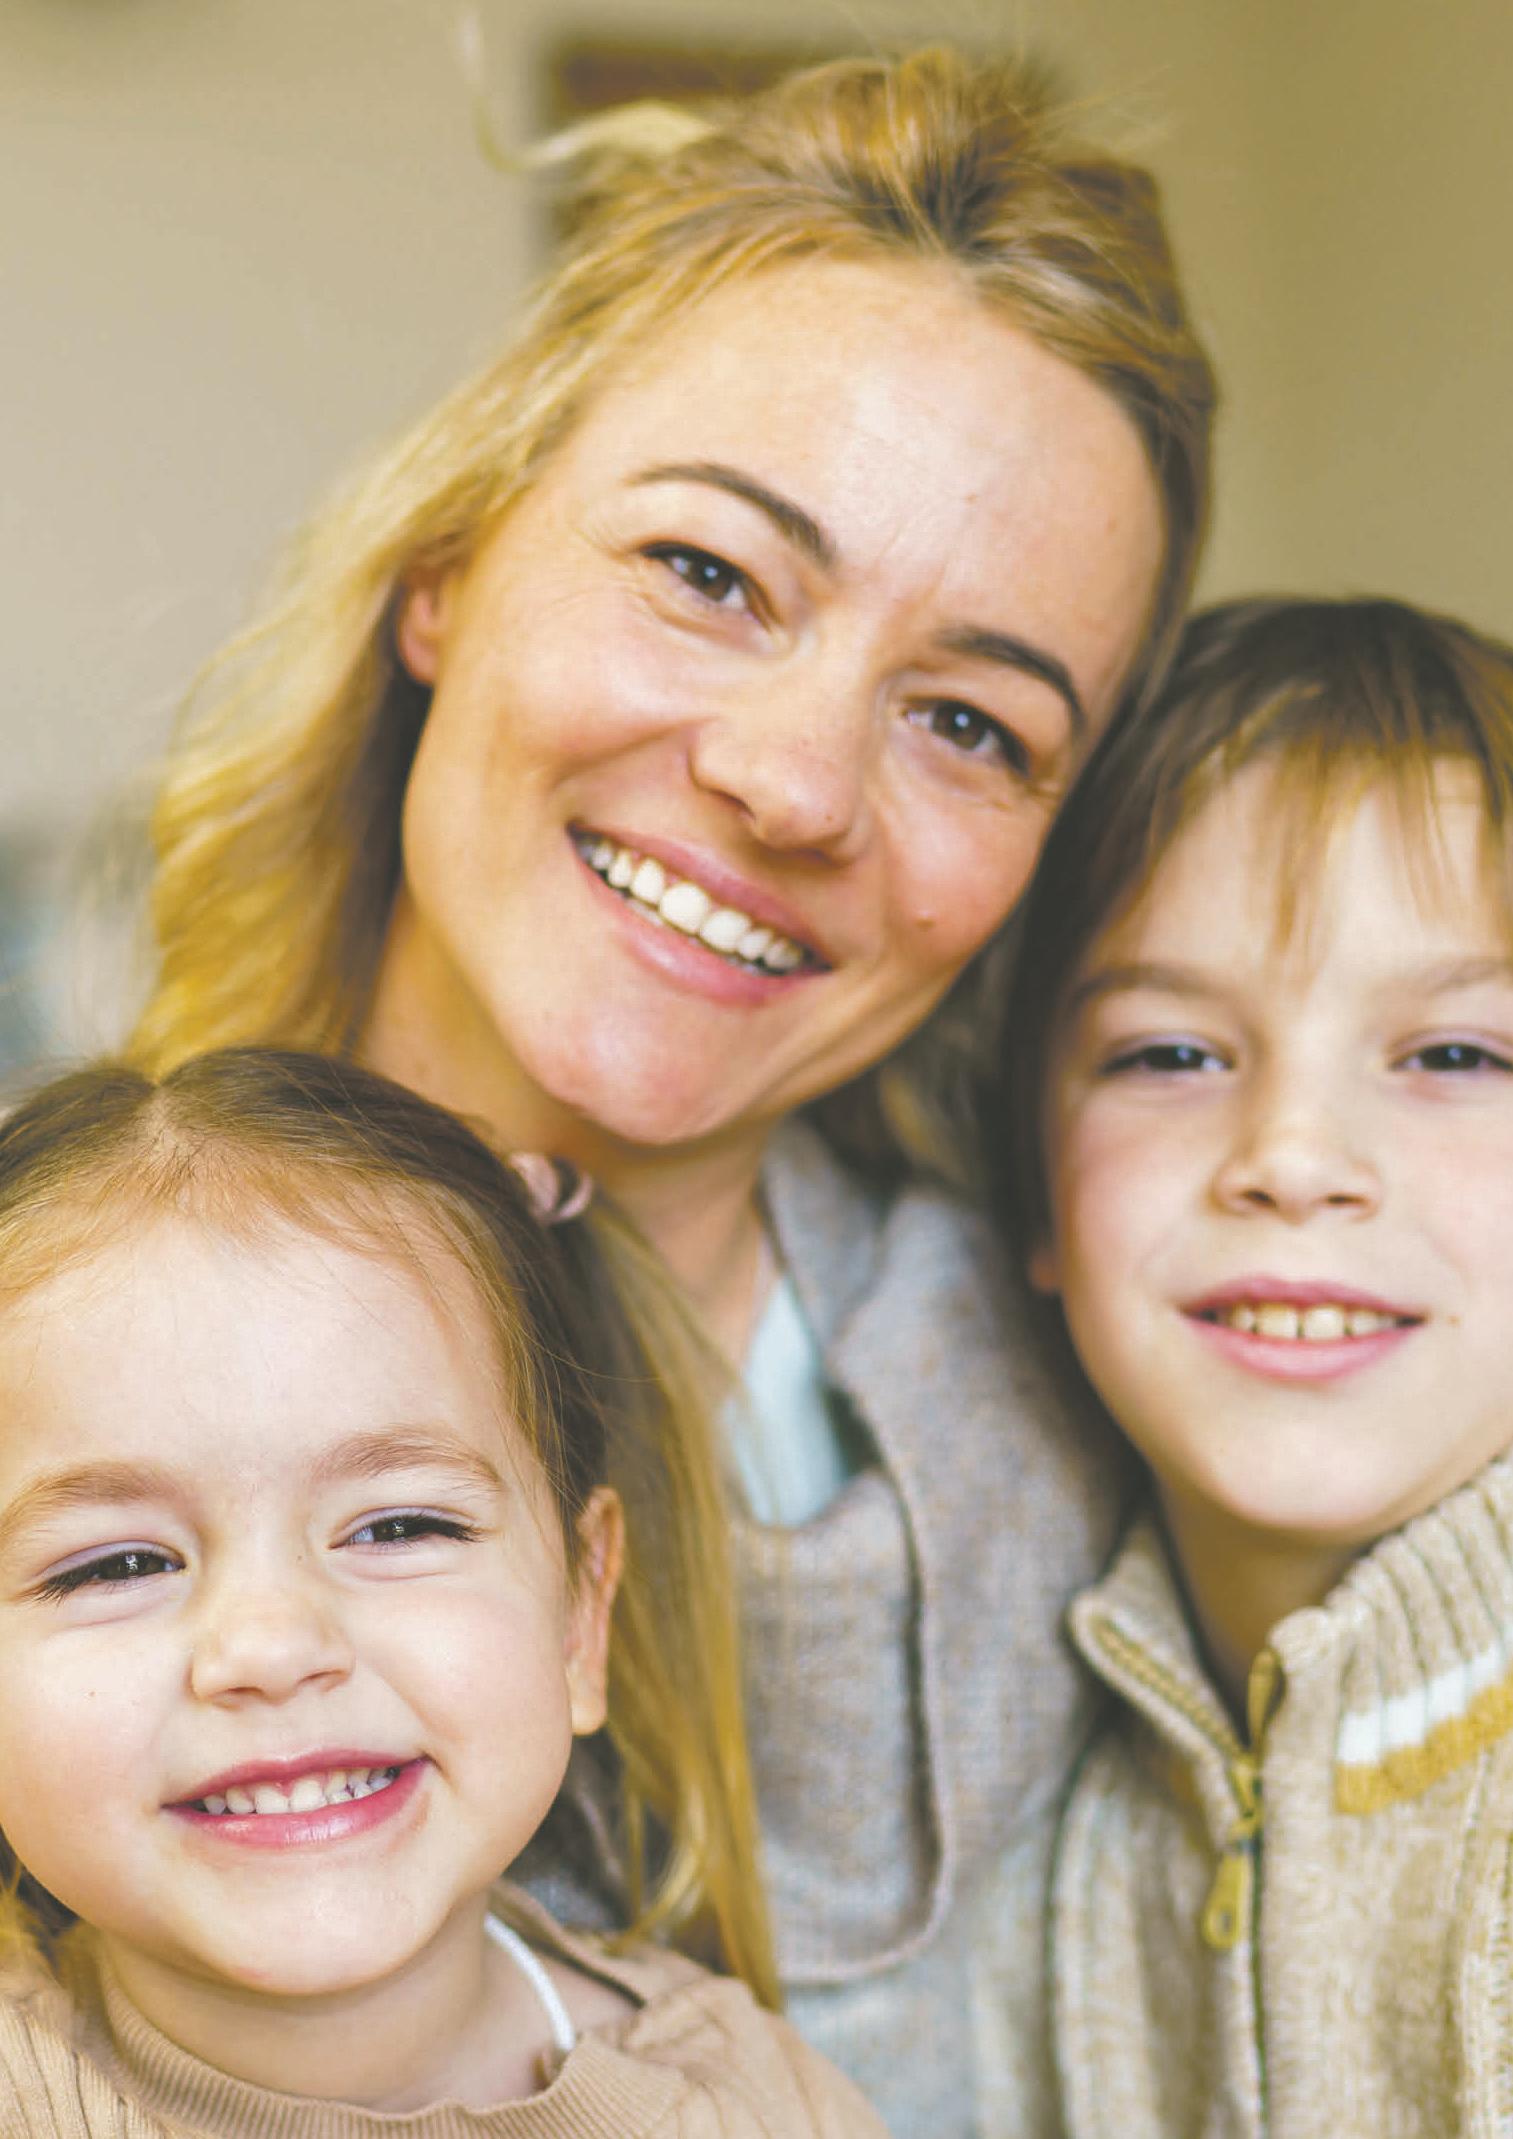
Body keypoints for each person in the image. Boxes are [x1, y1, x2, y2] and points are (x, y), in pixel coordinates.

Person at [125, 46, 1217, 2129]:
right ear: (447, 565)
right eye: (710, 575)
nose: (793, 781)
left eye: (970, 722)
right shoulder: (44, 1338)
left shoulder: (1118, 1405)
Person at [0, 1047, 887, 2138]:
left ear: (580, 1616)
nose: (272, 1647)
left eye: (399, 1526)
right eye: (117, 1565)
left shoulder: (759, 2109)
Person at [987, 595, 1513, 2134]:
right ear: (1034, 1191)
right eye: (1170, 1052)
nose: (1290, 1153)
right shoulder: (1081, 1788)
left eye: (1456, 1054)